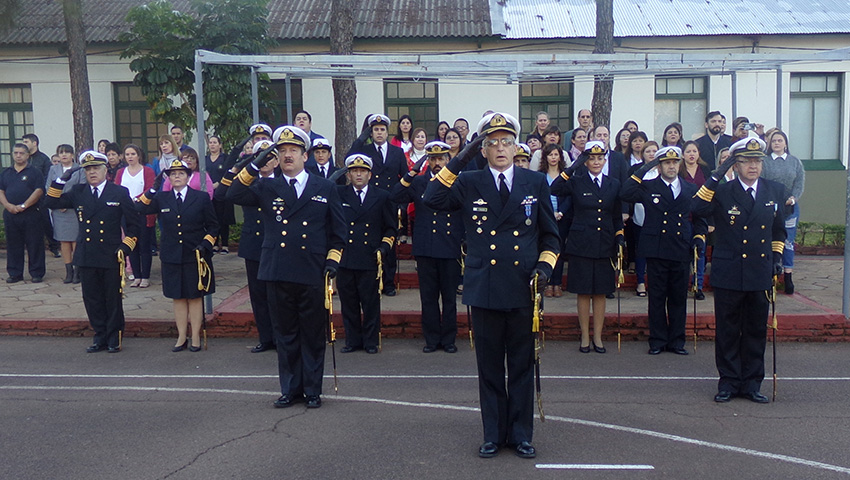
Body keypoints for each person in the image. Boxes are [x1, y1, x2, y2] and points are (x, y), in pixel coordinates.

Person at [425, 112, 559, 460]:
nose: (500, 148)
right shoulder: (469, 181)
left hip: (521, 286)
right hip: (484, 287)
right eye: (492, 143)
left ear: (516, 146)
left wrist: (544, 269)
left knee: (520, 365)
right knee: (488, 367)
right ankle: (493, 434)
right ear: (483, 149)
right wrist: (461, 156)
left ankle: (520, 434)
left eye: (506, 142)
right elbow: (431, 198)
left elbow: (551, 237)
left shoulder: (534, 183)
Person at [228, 125, 346, 409]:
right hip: (278, 268)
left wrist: (332, 262)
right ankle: (290, 388)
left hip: (311, 269)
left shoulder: (325, 187)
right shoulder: (267, 186)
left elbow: (338, 232)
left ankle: (312, 389)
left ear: (305, 155)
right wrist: (256, 162)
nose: (287, 156)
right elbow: (231, 194)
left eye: (293, 150)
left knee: (312, 333)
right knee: (286, 333)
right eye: (281, 151)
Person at [691, 137, 786, 404]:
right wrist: (717, 175)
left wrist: (777, 256)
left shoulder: (774, 190)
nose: (754, 166)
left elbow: (779, 229)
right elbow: (696, 208)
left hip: (759, 271)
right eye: (746, 161)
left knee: (756, 330)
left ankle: (752, 383)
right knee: (728, 330)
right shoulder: (722, 191)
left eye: (758, 161)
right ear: (736, 163)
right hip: (729, 271)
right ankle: (729, 382)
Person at [44, 151, 140, 353]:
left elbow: (134, 226)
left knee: (112, 298)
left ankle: (114, 336)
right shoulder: (79, 192)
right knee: (92, 298)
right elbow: (51, 202)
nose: (92, 173)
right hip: (87, 254)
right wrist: (62, 179)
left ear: (106, 171)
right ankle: (100, 335)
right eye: (88, 169)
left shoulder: (119, 192)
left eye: (96, 168)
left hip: (111, 253)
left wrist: (125, 247)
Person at [621, 146, 707, 355]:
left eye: (674, 162)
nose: (671, 166)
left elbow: (701, 216)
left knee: (678, 298)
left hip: (680, 247)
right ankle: (658, 340)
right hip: (657, 248)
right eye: (666, 163)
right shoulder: (649, 186)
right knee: (657, 297)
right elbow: (626, 191)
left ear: (680, 164)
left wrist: (698, 237)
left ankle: (677, 341)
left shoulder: (689, 188)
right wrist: (645, 167)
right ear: (659, 166)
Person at [138, 159, 218, 353]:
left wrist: (205, 245)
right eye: (173, 174)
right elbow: (140, 208)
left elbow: (214, 225)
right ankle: (182, 336)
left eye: (181, 173)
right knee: (178, 297)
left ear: (188, 177)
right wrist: (152, 190)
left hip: (195, 255)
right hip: (171, 255)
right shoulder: (162, 198)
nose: (177, 177)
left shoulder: (200, 197)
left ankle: (196, 336)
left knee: (194, 296)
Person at [551, 141, 623, 354]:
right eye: (591, 158)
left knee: (600, 292)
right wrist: (574, 166)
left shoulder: (614, 183)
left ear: (605, 160)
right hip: (581, 243)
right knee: (583, 292)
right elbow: (554, 188)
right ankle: (584, 336)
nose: (596, 162)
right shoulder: (577, 181)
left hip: (605, 242)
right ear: (585, 161)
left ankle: (598, 337)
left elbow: (617, 214)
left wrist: (619, 236)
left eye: (600, 158)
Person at [392, 141, 464, 353]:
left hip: (450, 247)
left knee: (449, 298)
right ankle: (432, 339)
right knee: (429, 298)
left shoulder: (457, 183)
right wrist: (412, 173)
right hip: (425, 248)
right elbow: (396, 196)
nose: (436, 163)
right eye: (432, 159)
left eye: (441, 158)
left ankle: (449, 339)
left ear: (448, 160)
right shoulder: (420, 182)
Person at [215, 139, 279, 353]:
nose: (265, 161)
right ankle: (266, 338)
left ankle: (280, 338)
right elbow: (222, 195)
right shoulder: (247, 181)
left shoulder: (283, 182)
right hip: (253, 244)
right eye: (260, 157)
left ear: (277, 161)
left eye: (269, 157)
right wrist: (238, 168)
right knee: (258, 295)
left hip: (276, 246)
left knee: (277, 295)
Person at [336, 154, 396, 354]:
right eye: (354, 171)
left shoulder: (382, 196)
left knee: (370, 304)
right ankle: (352, 340)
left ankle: (371, 341)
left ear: (370, 174)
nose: (358, 174)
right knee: (349, 303)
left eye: (362, 171)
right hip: (346, 257)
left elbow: (390, 229)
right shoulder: (339, 194)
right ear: (349, 175)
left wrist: (383, 249)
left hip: (370, 257)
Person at [347, 113, 409, 296]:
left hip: (389, 201)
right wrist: (361, 139)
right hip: (370, 201)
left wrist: (401, 202)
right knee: (371, 240)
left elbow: (405, 177)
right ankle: (372, 281)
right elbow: (351, 157)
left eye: (382, 129)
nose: (379, 133)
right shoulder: (365, 152)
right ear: (371, 132)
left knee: (388, 242)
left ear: (387, 132)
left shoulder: (397, 152)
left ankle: (388, 283)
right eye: (375, 130)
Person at [761, 130, 805, 294]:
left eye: (780, 140)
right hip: (770, 206)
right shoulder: (765, 162)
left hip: (790, 208)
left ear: (785, 143)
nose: (777, 143)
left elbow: (799, 182)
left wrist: (793, 198)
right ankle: (769, 274)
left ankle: (788, 276)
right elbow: (762, 182)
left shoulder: (795, 162)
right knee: (769, 240)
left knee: (788, 242)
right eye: (774, 141)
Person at [0, 143, 46, 283]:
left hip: (31, 213)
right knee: (13, 244)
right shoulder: (6, 173)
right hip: (11, 213)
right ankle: (15, 273)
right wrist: (8, 206)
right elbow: (1, 191)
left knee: (34, 243)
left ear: (27, 155)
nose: (18, 156)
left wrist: (24, 205)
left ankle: (37, 273)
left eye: (21, 153)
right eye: (16, 153)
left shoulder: (35, 172)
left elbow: (38, 191)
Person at [116, 144, 156, 288]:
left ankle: (145, 276)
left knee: (144, 246)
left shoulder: (147, 171)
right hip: (126, 213)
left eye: (133, 154)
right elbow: (117, 188)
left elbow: (151, 188)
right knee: (131, 245)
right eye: (127, 154)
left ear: (138, 155)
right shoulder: (121, 172)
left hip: (143, 213)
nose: (130, 157)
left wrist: (137, 199)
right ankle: (137, 276)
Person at [45, 144, 85, 283]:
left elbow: (81, 187)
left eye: (67, 152)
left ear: (72, 155)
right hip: (58, 210)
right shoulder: (53, 169)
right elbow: (49, 186)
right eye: (61, 153)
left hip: (73, 209)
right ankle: (69, 271)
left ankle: (77, 271)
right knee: (64, 240)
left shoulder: (79, 169)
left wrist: (67, 202)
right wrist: (58, 203)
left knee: (75, 240)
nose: (64, 155)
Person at [626, 140, 660, 296]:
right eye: (648, 151)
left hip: (660, 217)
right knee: (641, 250)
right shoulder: (636, 170)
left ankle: (655, 282)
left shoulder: (663, 170)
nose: (651, 154)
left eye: (654, 151)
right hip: (640, 214)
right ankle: (640, 282)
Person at [681, 140, 712, 300]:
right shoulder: (679, 170)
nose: (691, 154)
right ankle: (683, 285)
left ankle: (697, 286)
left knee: (700, 252)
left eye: (694, 151)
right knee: (684, 252)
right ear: (683, 154)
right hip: (683, 218)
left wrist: (710, 221)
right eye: (688, 151)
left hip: (700, 218)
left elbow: (712, 195)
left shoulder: (705, 170)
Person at [538, 143, 569, 298]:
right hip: (545, 217)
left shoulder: (565, 175)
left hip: (561, 218)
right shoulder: (540, 175)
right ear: (546, 157)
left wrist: (561, 212)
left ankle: (557, 283)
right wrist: (549, 213)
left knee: (559, 251)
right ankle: (548, 284)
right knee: (546, 250)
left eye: (556, 154)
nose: (553, 158)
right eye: (550, 155)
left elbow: (569, 196)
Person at [21, 133, 58, 258]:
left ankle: (54, 247)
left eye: (26, 142)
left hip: (40, 196)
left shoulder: (43, 159)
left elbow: (47, 178)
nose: (24, 144)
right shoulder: (24, 159)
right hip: (25, 196)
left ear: (34, 143)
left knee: (45, 222)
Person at [205, 136, 234, 254]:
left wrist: (219, 184)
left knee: (223, 219)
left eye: (215, 142)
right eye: (210, 143)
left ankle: (225, 244)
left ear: (220, 145)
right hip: (209, 194)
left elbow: (229, 173)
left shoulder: (225, 158)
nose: (212, 145)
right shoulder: (205, 159)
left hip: (223, 193)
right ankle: (214, 244)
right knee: (212, 219)